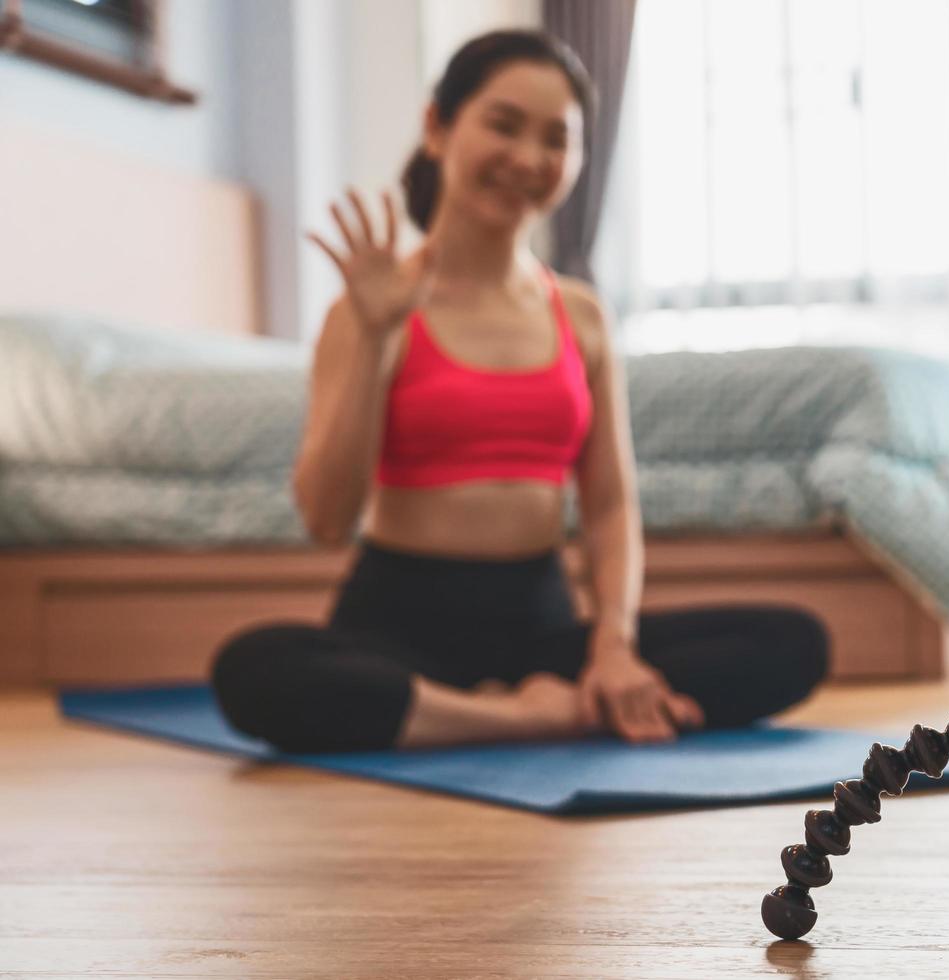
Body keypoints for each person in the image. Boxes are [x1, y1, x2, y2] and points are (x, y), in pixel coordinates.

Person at [211, 30, 828, 753]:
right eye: (503, 126)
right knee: (251, 670)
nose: (528, 160)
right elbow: (325, 516)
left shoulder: (583, 316)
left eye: (556, 140)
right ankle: (541, 718)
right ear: (438, 127)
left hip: (542, 631)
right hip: (396, 628)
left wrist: (612, 648)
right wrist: (378, 337)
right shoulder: (367, 312)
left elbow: (608, 504)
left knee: (794, 641)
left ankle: (465, 715)